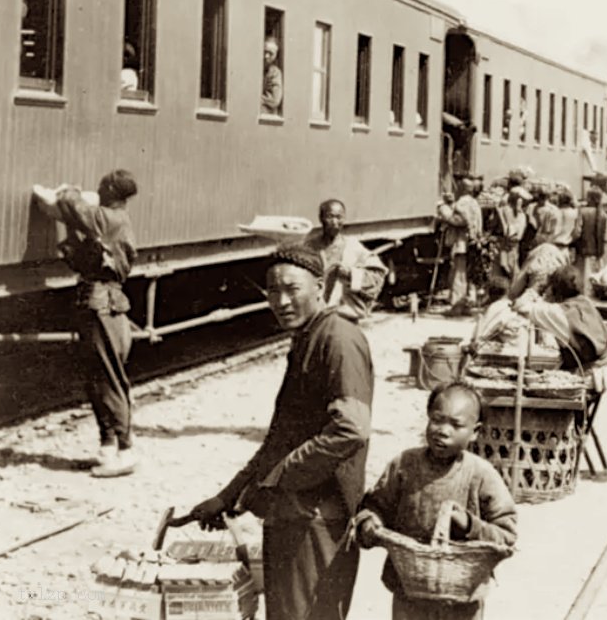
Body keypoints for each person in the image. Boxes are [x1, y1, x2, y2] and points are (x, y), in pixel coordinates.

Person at [190, 245, 374, 620]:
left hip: (317, 518)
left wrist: (279, 478)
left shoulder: (338, 339)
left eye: (292, 289)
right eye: (272, 291)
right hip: (293, 513)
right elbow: (280, 438)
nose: (281, 301)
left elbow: (352, 429)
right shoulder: (307, 337)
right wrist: (227, 496)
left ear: (320, 286)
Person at [356, 382, 517, 620]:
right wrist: (369, 524)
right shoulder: (404, 464)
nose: (443, 430)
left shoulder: (481, 474)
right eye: (437, 419)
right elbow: (376, 505)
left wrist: (471, 525)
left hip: (462, 598)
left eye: (456, 424)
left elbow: (507, 535)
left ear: (475, 431)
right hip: (408, 591)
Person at [33, 171, 139, 478]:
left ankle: (125, 449)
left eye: (103, 186)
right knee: (96, 378)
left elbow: (81, 210)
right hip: (97, 302)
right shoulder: (110, 221)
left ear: (111, 191)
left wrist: (68, 192)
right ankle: (108, 446)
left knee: (108, 378)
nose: (98, 189)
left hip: (102, 305)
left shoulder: (111, 218)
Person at [515, 265, 607, 374]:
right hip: (603, 370)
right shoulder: (586, 303)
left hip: (584, 374)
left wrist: (536, 288)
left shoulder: (558, 312)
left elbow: (519, 306)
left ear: (555, 290)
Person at [302, 199, 388, 321]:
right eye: (330, 217)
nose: (335, 222)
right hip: (314, 315)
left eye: (339, 217)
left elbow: (376, 277)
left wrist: (351, 274)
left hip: (344, 316)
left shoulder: (353, 247)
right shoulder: (310, 247)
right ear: (321, 218)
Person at [437, 179, 484, 315]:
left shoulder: (463, 202)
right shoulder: (474, 202)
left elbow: (458, 220)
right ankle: (467, 305)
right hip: (473, 242)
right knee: (468, 275)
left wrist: (444, 209)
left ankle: (457, 306)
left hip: (461, 243)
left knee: (458, 275)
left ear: (462, 189)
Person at [573, 186, 607, 294]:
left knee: (582, 283)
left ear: (589, 198)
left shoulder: (582, 212)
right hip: (597, 253)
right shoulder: (604, 215)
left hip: (583, 252)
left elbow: (577, 232)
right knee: (594, 281)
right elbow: (606, 237)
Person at [262, 36, 283, 114]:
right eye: (265, 51)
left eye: (270, 53)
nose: (266, 56)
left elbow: (274, 100)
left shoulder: (275, 73)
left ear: (275, 56)